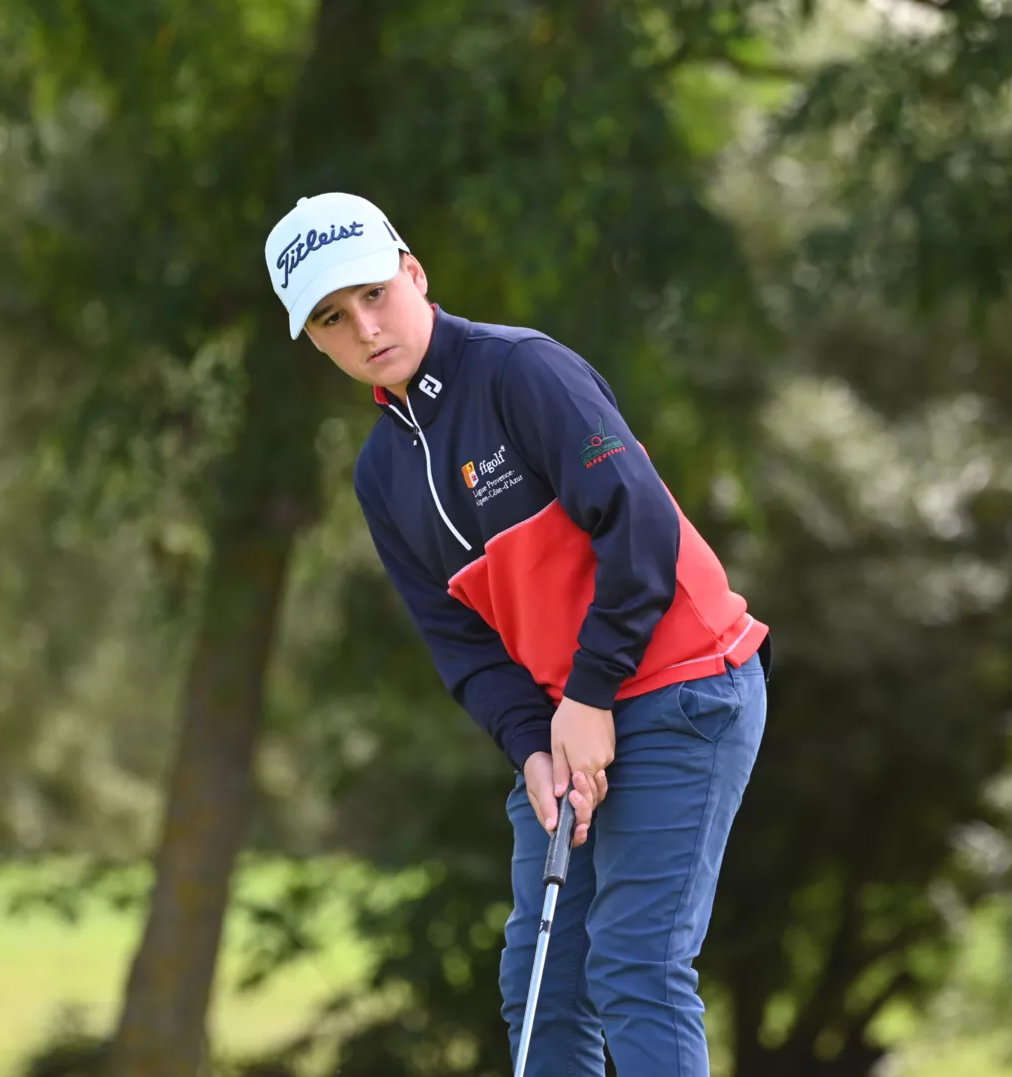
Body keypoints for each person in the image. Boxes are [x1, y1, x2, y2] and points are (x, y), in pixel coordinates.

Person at [263, 191, 770, 1077]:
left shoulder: (519, 371)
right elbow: (460, 642)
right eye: (333, 318)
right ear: (314, 339)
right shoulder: (382, 472)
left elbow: (640, 526)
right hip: (567, 720)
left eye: (375, 294)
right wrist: (532, 744)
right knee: (542, 978)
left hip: (685, 685)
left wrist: (589, 694)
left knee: (636, 964)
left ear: (414, 273)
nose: (366, 327)